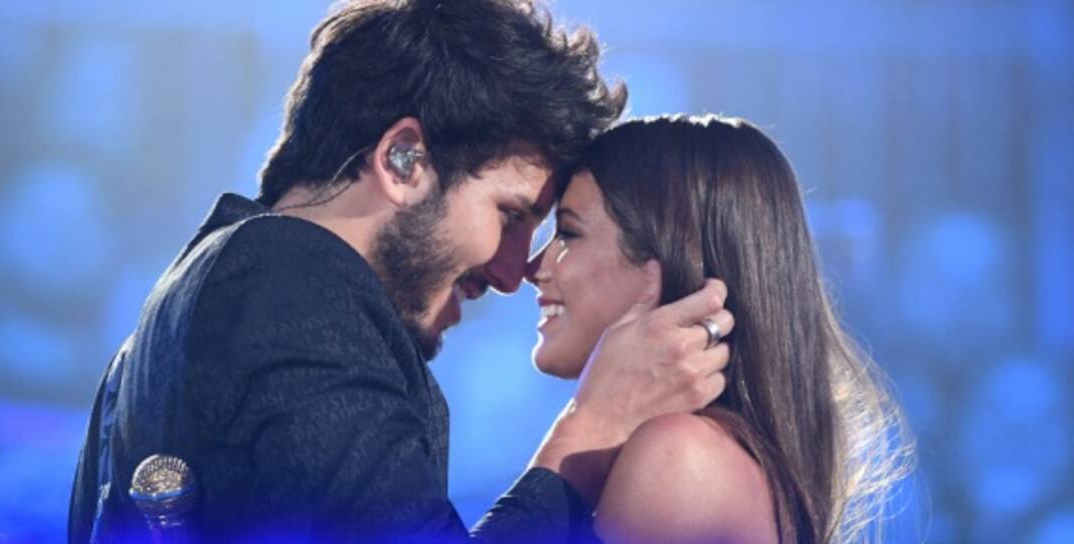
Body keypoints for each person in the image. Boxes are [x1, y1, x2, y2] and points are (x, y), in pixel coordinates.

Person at [69, 2, 736, 542]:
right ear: (403, 160)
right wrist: (595, 423)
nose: (513, 273)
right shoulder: (283, 283)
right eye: (509, 215)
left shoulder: (219, 285)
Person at [526, 115, 913, 543]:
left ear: (669, 258)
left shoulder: (680, 455)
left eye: (568, 233)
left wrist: (589, 423)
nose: (534, 267)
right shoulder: (713, 453)